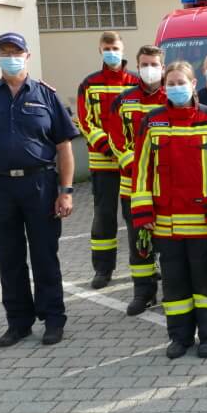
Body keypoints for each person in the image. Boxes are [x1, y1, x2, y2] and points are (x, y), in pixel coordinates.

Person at [0, 32, 79, 347]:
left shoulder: (47, 95)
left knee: (44, 257)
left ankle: (53, 320)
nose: (11, 56)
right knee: (8, 258)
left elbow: (64, 147)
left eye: (17, 51)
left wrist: (65, 190)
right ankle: (18, 322)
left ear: (27, 56)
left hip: (39, 185)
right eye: (5, 51)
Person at [130, 61, 207, 359]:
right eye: (172, 83)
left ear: (194, 85)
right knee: (175, 286)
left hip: (202, 222)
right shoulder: (152, 122)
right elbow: (140, 170)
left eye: (182, 82)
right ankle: (179, 337)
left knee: (205, 283)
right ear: (165, 87)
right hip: (165, 223)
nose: (177, 87)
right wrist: (143, 213)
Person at [105, 44, 168, 316]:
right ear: (138, 66)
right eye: (145, 64)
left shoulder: (174, 97)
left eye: (154, 64)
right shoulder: (124, 99)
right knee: (139, 242)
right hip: (134, 185)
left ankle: (175, 291)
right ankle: (143, 293)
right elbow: (114, 135)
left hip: (169, 187)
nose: (149, 69)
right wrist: (135, 163)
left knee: (170, 241)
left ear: (163, 67)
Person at [76, 31, 140, 289]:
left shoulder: (136, 82)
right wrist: (106, 144)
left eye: (114, 47)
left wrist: (129, 152)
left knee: (137, 217)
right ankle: (103, 269)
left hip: (132, 165)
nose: (111, 51)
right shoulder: (89, 83)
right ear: (100, 51)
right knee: (104, 218)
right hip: (104, 163)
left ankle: (145, 265)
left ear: (123, 50)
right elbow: (84, 119)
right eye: (106, 48)